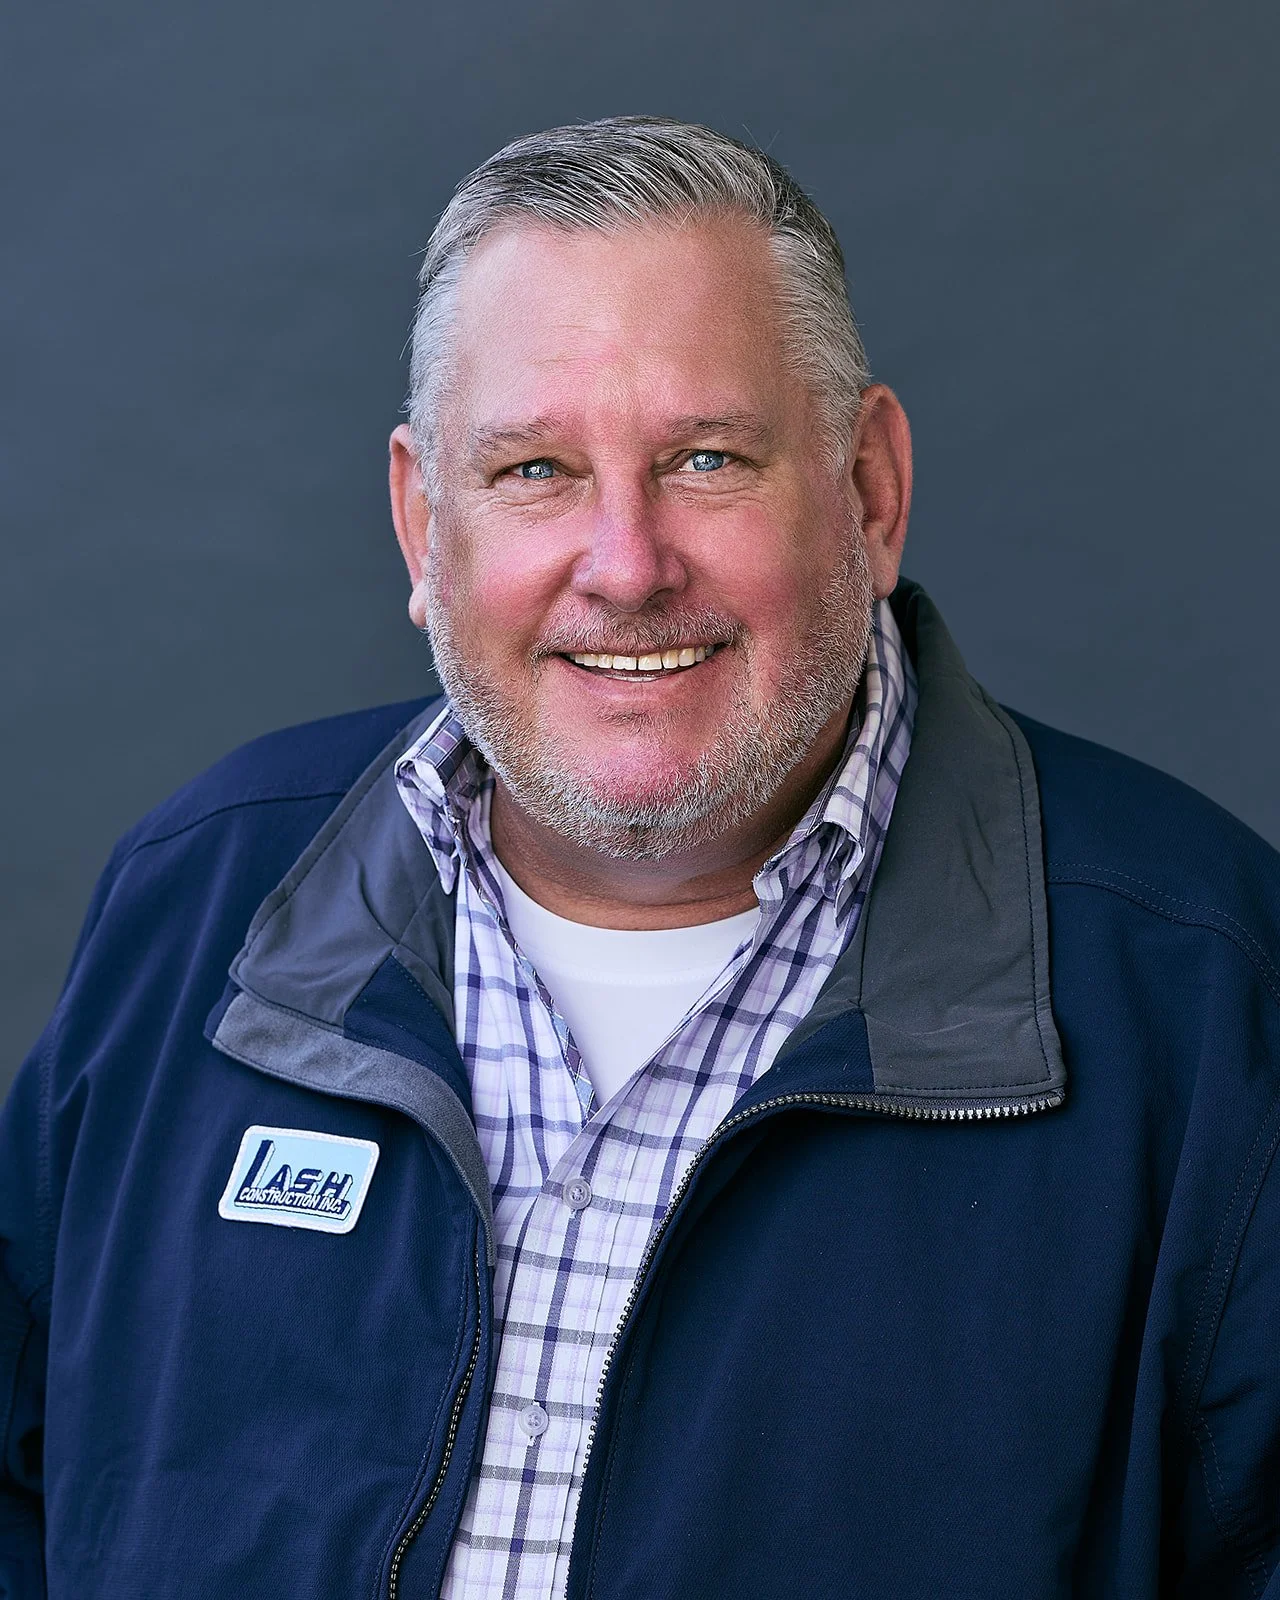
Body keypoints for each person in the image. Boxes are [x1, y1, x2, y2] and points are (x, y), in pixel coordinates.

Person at [1, 115, 1277, 1600]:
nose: (624, 562)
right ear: (425, 525)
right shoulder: (199, 904)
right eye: (536, 469)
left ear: (869, 491)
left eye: (708, 457)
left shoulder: (1210, 1010)